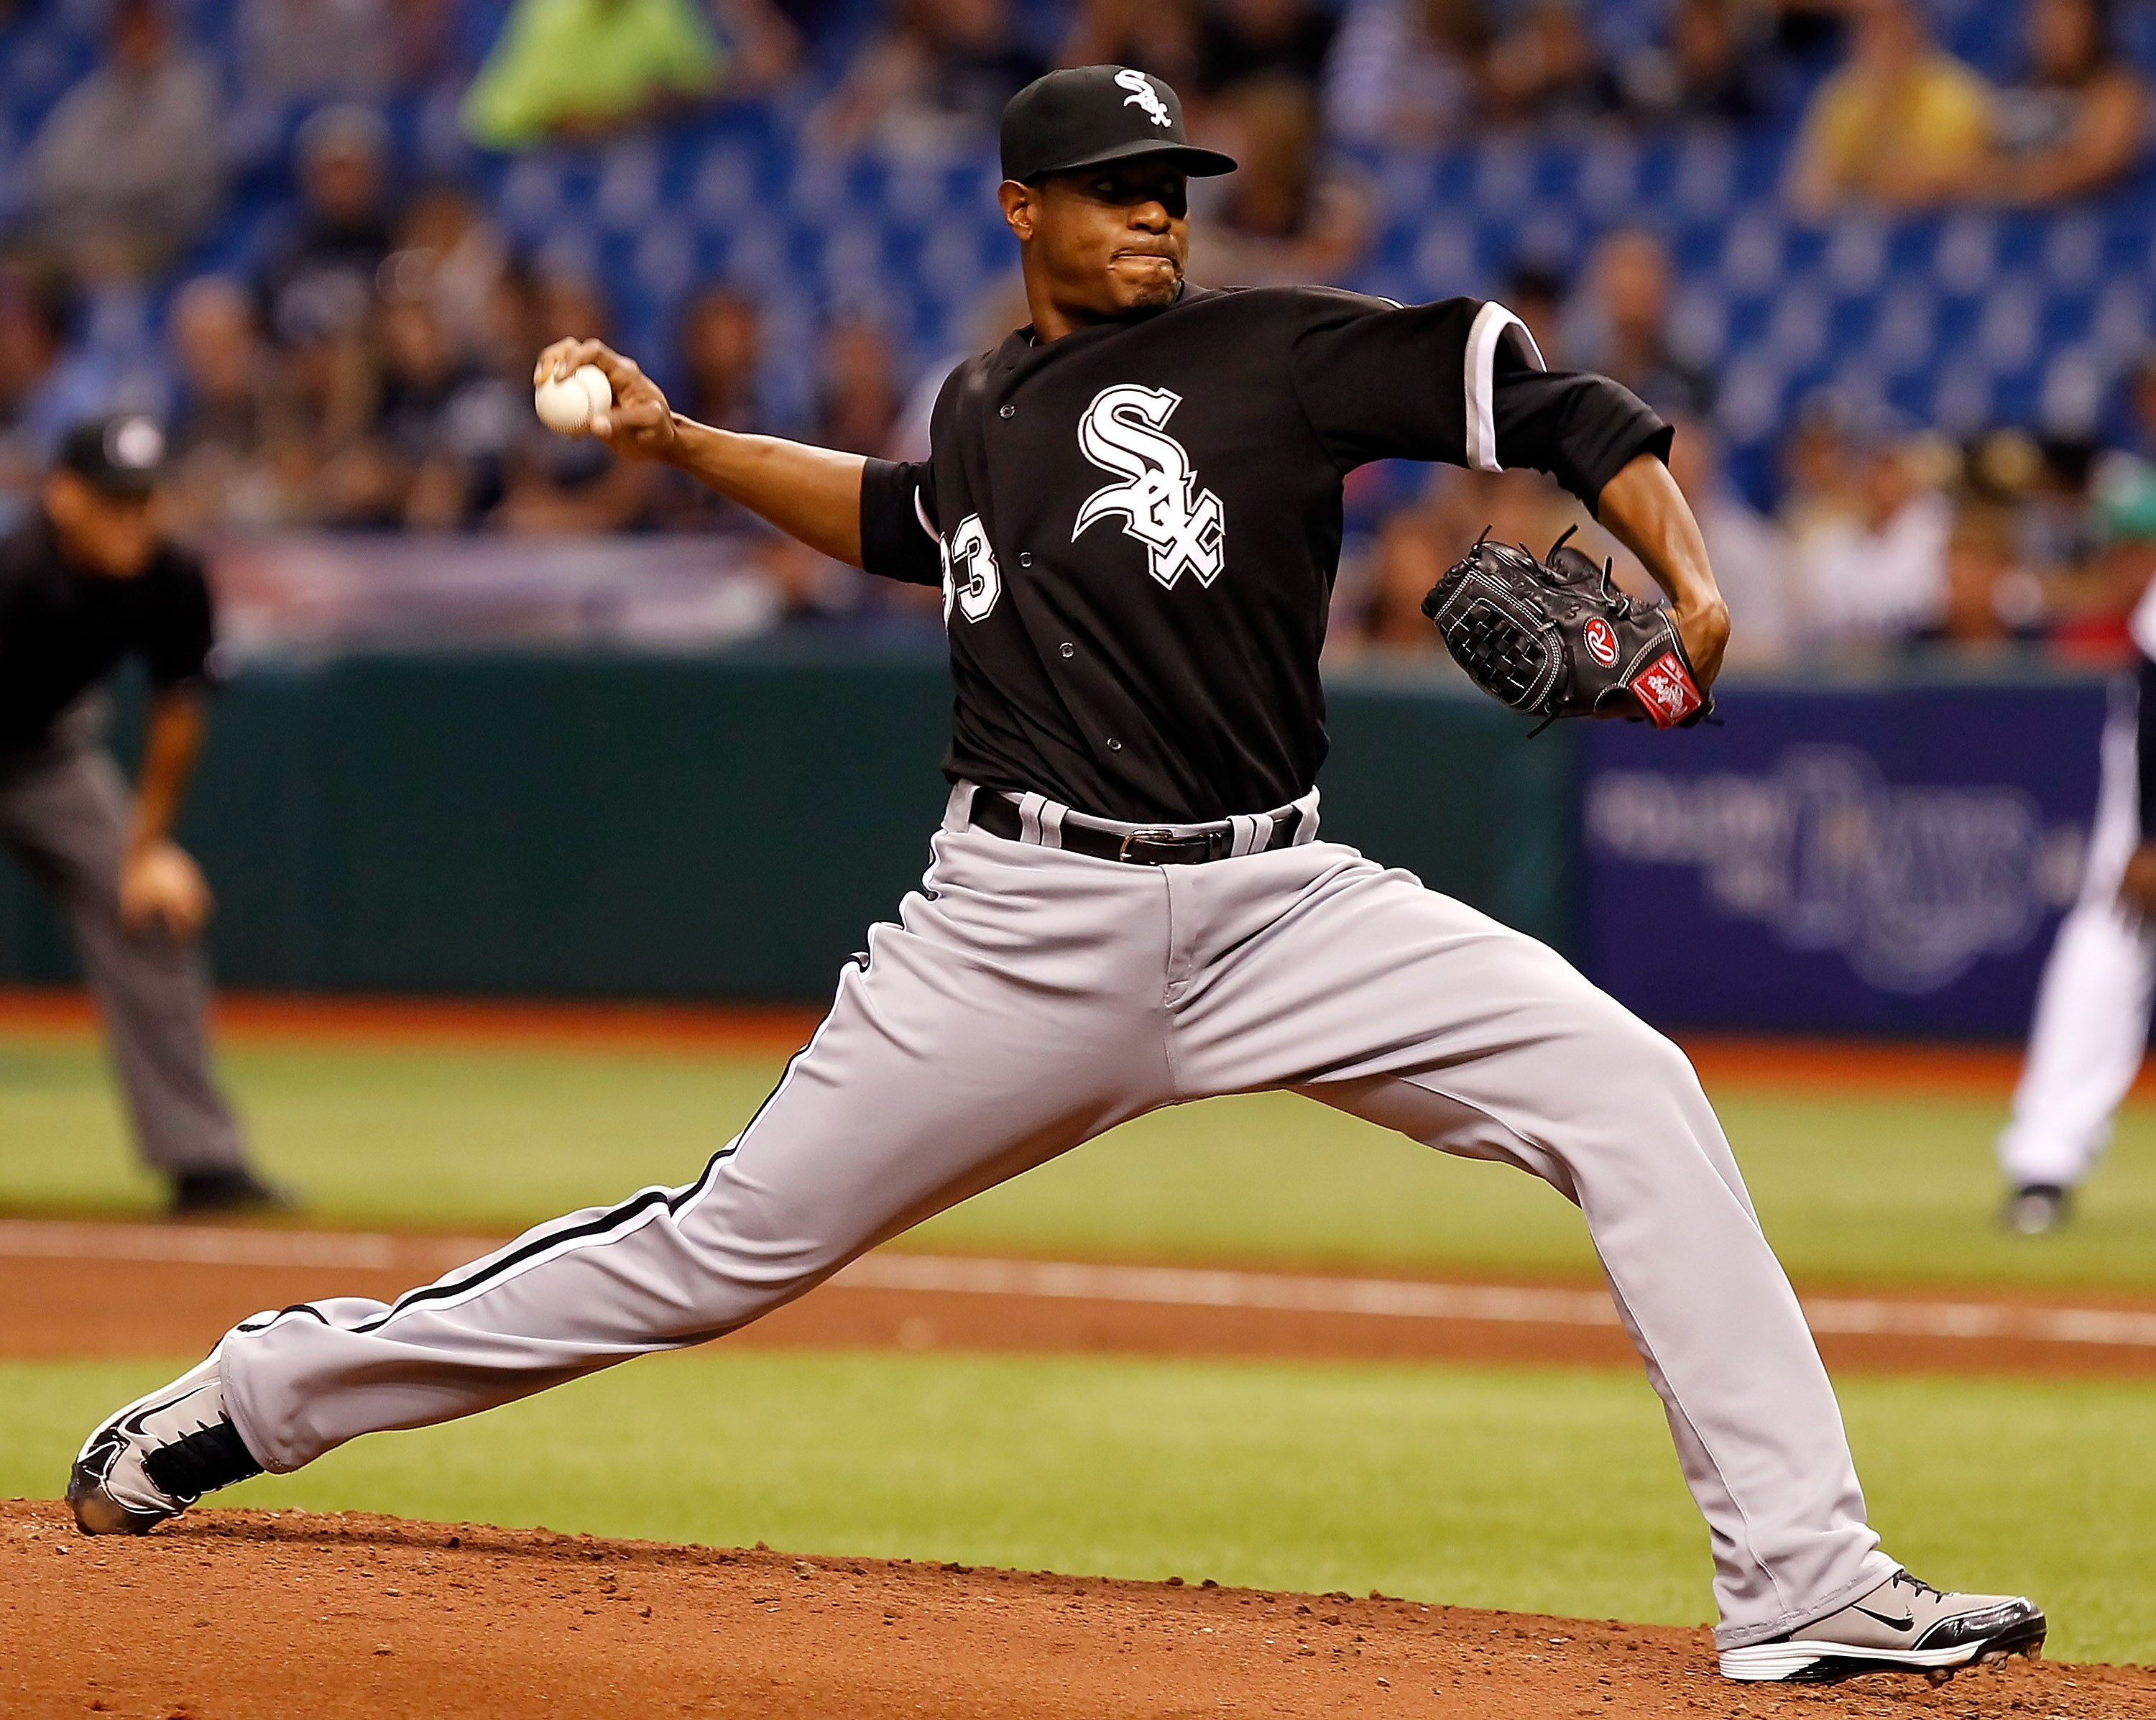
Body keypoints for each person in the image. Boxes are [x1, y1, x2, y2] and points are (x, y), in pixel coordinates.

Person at [68, 65, 2043, 1690]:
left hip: (1286, 906)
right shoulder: (980, 399)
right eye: (1111, 189)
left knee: (1632, 1091)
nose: (1155, 213)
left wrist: (1685, 565)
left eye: (1170, 184)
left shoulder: (1276, 356)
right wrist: (679, 441)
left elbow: (1552, 401)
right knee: (709, 1255)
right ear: (1022, 208)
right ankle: (259, 1396)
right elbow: (897, 522)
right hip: (1018, 931)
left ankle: (1800, 1576)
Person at [0, 417, 288, 1217]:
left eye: (143, 501)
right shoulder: (15, 575)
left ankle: (204, 1159)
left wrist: (147, 847)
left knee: (151, 911)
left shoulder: (170, 574)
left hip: (48, 755)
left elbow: (178, 707)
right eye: (112, 502)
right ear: (64, 498)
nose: (133, 520)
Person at [28, 0, 226, 281]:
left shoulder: (191, 87)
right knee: (21, 267)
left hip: (166, 231)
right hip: (93, 230)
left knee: (99, 267)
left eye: (140, 29)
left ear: (160, 30)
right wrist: (111, 178)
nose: (132, 40)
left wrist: (95, 182)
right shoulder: (101, 90)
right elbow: (51, 169)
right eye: (124, 32)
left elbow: (156, 174)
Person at [1787, 0, 1991, 218]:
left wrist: (1927, 181)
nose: (1882, 47)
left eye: (1891, 35)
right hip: (1870, 221)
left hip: (1947, 220)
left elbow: (1983, 176)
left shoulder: (1957, 94)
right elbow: (1809, 190)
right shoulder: (1844, 97)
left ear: (1915, 34)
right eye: (1872, 36)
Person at [1962, 0, 2147, 206]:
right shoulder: (2012, 86)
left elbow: (2093, 164)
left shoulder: (2116, 89)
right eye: (2046, 18)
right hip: (2006, 220)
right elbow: (1967, 156)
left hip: (2083, 219)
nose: (2054, 30)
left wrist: (1995, 180)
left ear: (2094, 24)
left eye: (2066, 18)